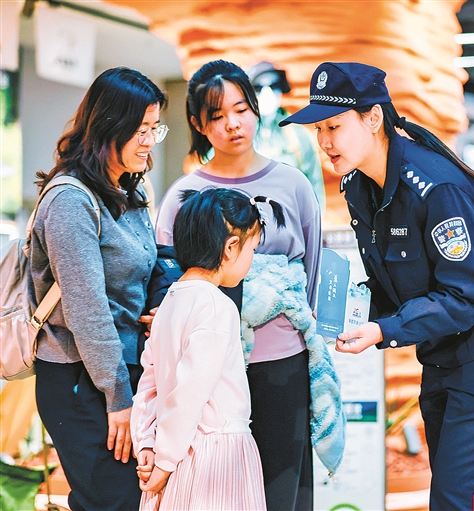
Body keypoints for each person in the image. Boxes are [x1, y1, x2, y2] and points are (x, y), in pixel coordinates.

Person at [280, 62, 474, 511]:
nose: (324, 142)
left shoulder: (437, 188)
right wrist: (340, 311)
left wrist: (382, 330)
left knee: (457, 499)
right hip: (440, 351)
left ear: (373, 118)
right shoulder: (359, 187)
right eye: (319, 130)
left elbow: (466, 295)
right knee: (451, 495)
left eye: (334, 126)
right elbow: (389, 284)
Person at [154, 59, 322, 511]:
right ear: (197, 124)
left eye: (241, 109)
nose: (233, 124)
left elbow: (312, 269)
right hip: (207, 372)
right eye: (217, 115)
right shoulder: (184, 195)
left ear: (255, 109)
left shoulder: (293, 184)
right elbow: (168, 282)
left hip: (281, 362)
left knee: (283, 490)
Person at [28, 67, 167, 511]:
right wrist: (118, 397)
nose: (149, 141)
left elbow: (147, 266)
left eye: (155, 129)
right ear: (109, 126)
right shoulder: (70, 200)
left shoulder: (127, 189)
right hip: (82, 379)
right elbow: (87, 312)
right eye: (141, 130)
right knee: (113, 501)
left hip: (121, 372)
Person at [132, 188, 283, 510]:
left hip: (174, 449)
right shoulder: (216, 306)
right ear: (231, 247)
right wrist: (165, 462)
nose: (252, 259)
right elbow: (190, 393)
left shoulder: (169, 301)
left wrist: (147, 443)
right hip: (213, 457)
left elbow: (149, 385)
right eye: (252, 249)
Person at [247, 61, 326, 212]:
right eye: (258, 88)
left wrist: (314, 224)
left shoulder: (298, 136)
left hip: (292, 221)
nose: (267, 93)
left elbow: (315, 191)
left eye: (274, 86)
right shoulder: (237, 135)